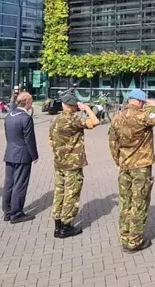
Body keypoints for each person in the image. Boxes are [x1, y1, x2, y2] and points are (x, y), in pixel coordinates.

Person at [108, 89, 155, 252]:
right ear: (141, 102)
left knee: (125, 202)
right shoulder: (143, 117)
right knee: (139, 202)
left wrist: (118, 160)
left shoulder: (117, 118)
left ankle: (125, 235)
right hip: (141, 167)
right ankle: (135, 241)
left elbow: (113, 143)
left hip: (125, 165)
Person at [48, 92, 100, 238]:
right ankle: (66, 226)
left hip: (59, 162)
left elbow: (50, 140)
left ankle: (57, 225)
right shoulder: (74, 119)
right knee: (71, 193)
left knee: (59, 192)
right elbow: (95, 122)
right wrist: (87, 109)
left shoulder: (55, 120)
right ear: (73, 106)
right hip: (73, 163)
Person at [2, 91, 38, 223]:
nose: (32, 102)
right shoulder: (26, 118)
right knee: (20, 184)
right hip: (22, 154)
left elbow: (7, 135)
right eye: (31, 100)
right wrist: (34, 155)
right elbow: (29, 139)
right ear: (27, 101)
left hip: (10, 152)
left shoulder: (9, 115)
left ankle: (7, 211)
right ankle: (16, 213)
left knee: (9, 183)